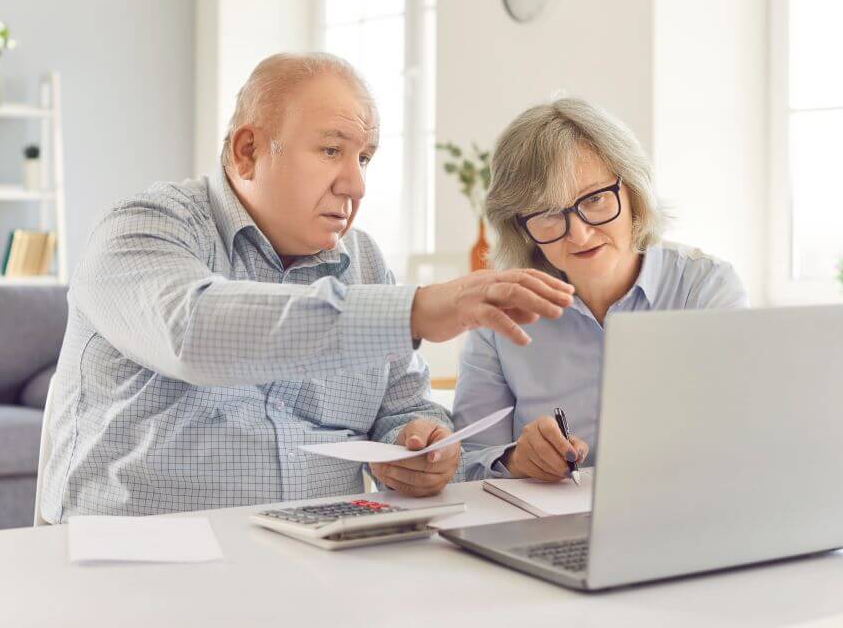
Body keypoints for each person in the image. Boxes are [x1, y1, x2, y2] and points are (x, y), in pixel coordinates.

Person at [40, 53, 574, 521]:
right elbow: (193, 331)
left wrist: (416, 444)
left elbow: (403, 404)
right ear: (248, 150)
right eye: (330, 151)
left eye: (364, 158)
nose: (356, 183)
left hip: (319, 560)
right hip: (138, 567)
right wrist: (414, 310)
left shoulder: (364, 260)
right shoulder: (141, 229)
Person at [453, 98, 748, 482]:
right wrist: (512, 460)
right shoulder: (502, 314)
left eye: (594, 199)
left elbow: (739, 441)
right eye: (547, 214)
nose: (579, 233)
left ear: (633, 192)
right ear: (520, 227)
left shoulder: (704, 290)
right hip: (549, 531)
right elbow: (464, 460)